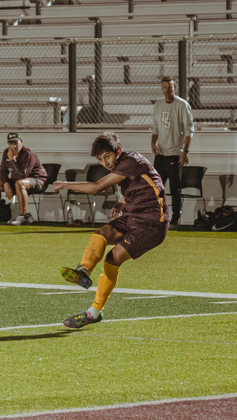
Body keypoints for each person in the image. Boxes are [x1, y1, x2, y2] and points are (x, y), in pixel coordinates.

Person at [52, 131, 169, 329]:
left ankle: (94, 313)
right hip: (133, 216)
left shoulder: (131, 160)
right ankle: (83, 271)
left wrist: (64, 184)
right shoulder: (125, 165)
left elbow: (97, 187)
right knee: (101, 234)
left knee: (111, 260)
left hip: (151, 224)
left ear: (118, 151)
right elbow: (145, 184)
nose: (105, 162)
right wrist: (122, 202)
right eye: (100, 159)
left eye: (107, 156)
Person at [150, 76, 194, 228]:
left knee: (175, 189)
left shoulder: (182, 105)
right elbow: (155, 127)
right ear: (161, 88)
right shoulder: (158, 105)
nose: (168, 91)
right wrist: (153, 143)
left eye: (170, 87)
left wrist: (185, 151)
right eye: (165, 88)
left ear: (174, 87)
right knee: (157, 188)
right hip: (161, 154)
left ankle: (175, 218)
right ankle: (159, 216)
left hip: (175, 152)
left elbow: (189, 129)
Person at [0, 132, 48, 226]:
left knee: (20, 183)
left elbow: (23, 175)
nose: (14, 146)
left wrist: (12, 160)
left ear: (21, 142)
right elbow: (2, 171)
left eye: (16, 143)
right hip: (18, 181)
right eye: (11, 143)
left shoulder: (28, 153)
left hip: (38, 180)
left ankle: (22, 217)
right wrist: (6, 184)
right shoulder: (6, 152)